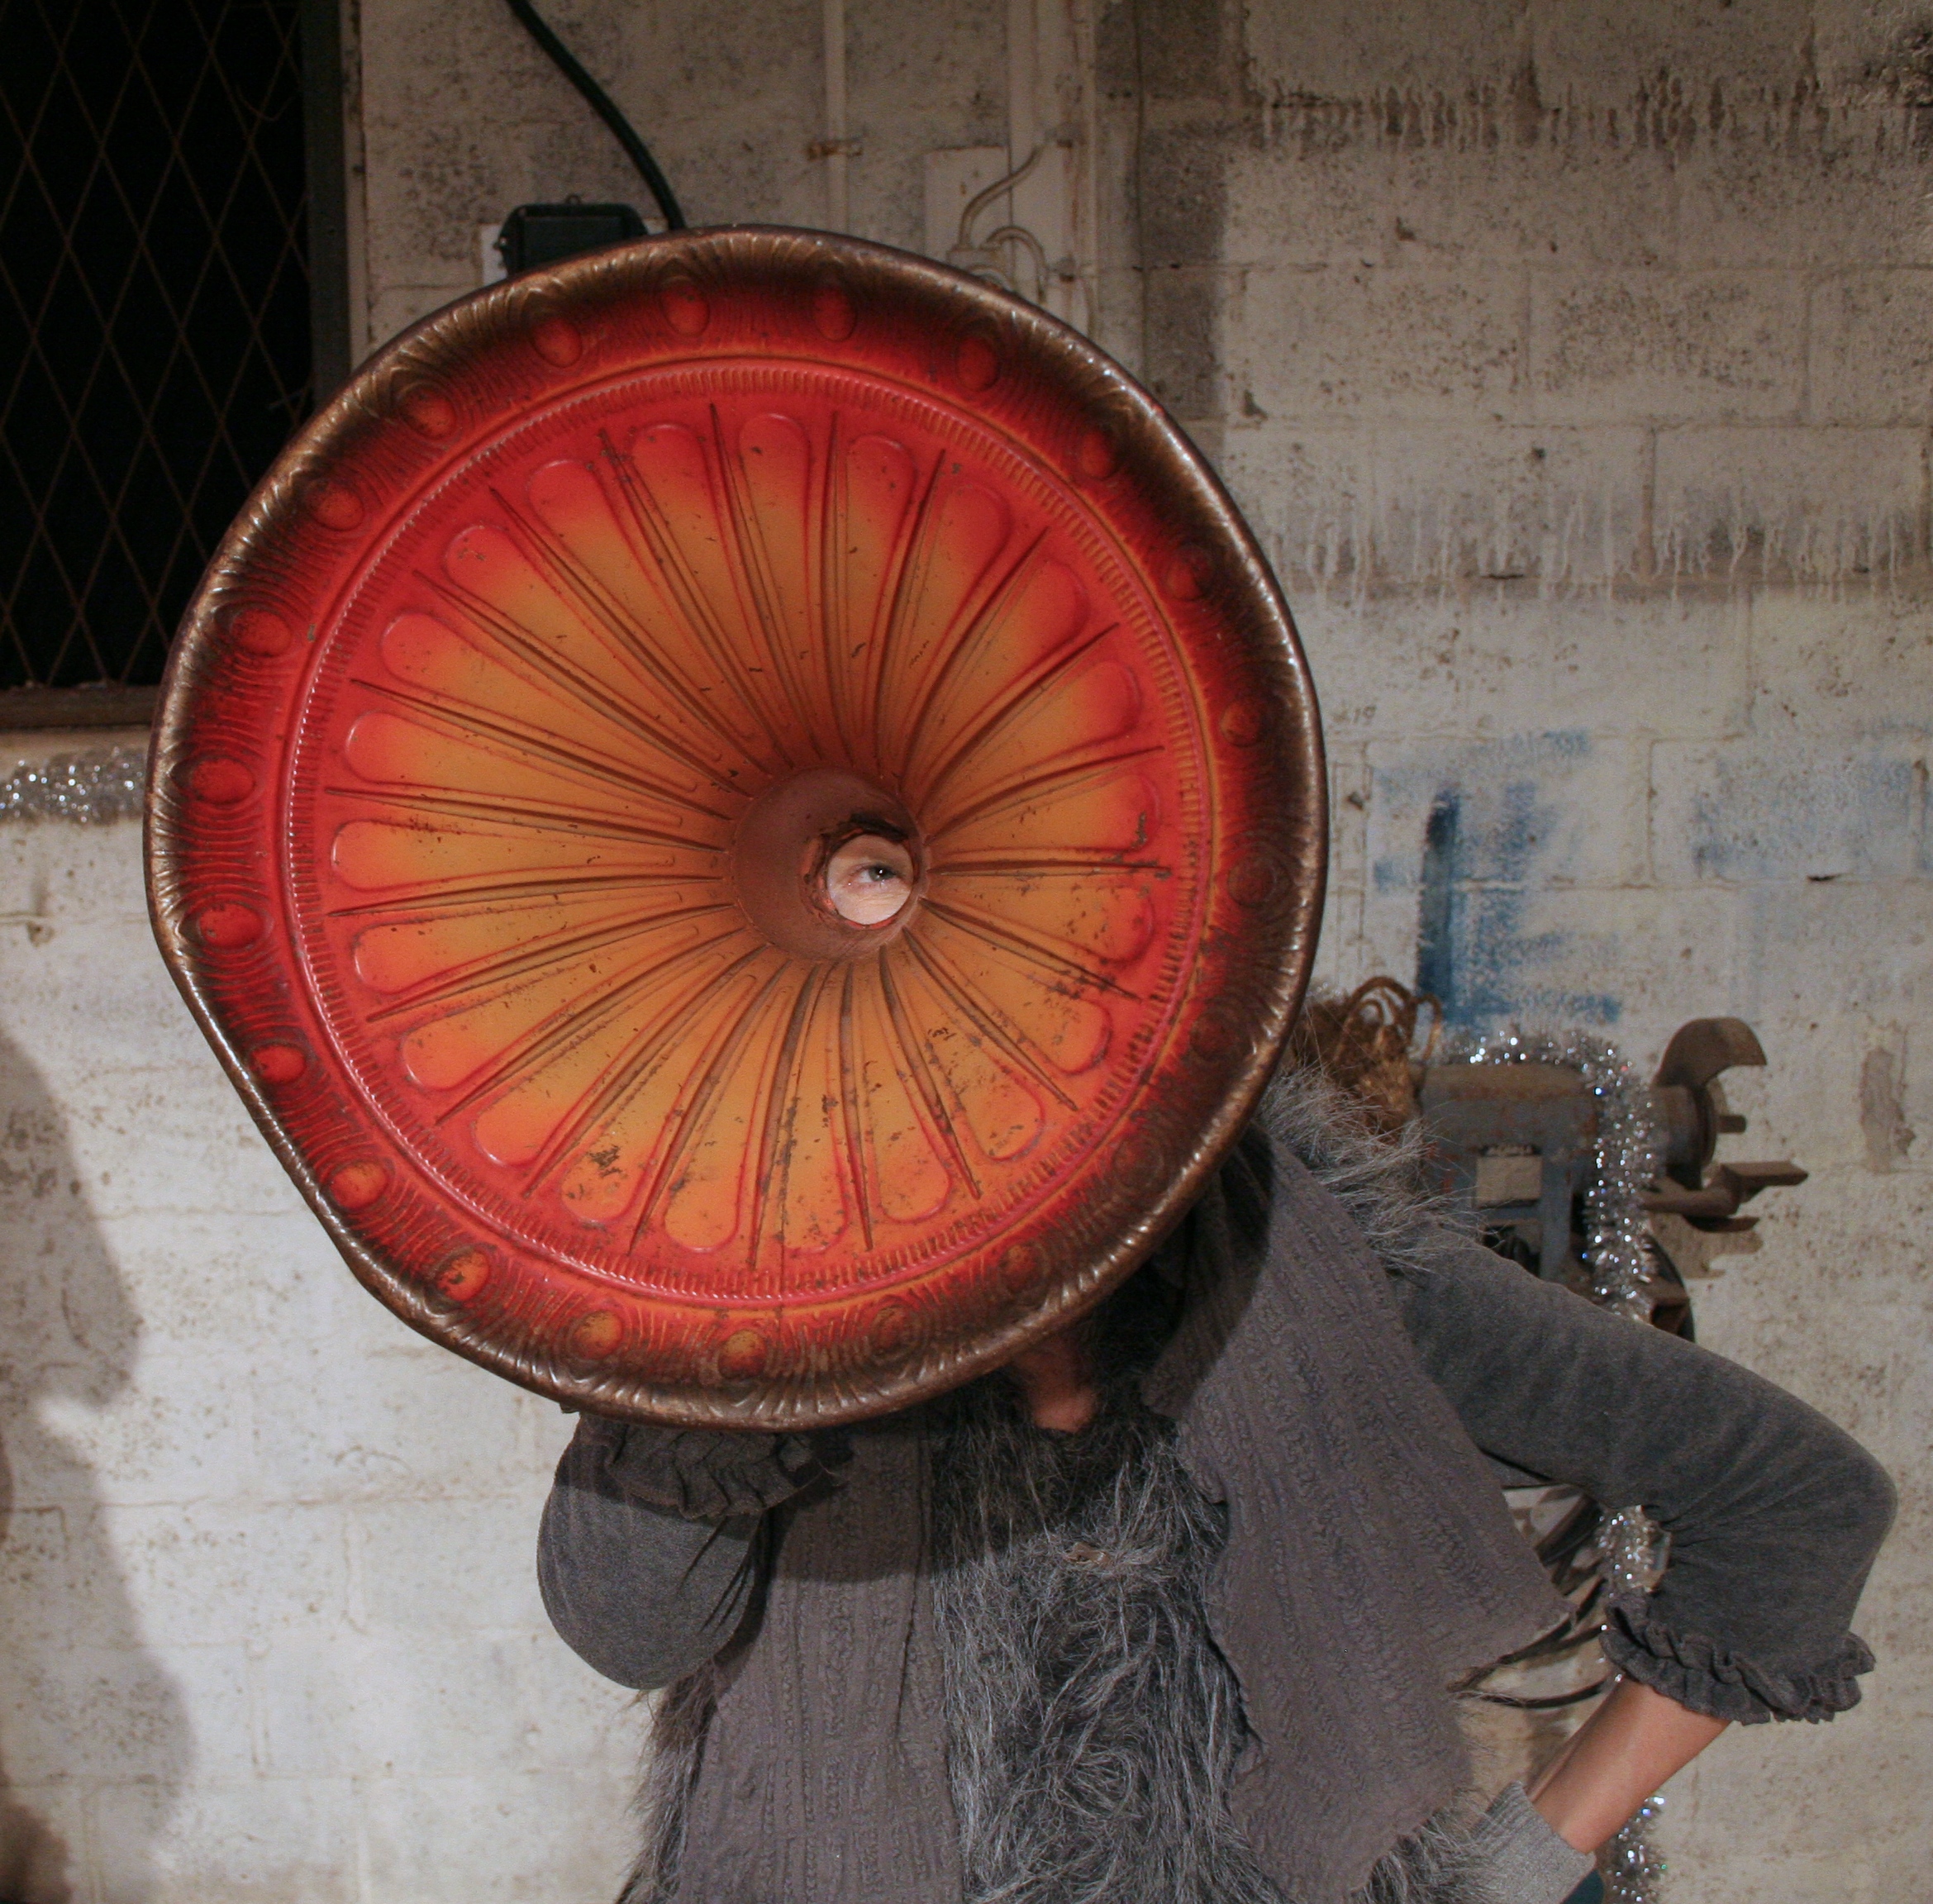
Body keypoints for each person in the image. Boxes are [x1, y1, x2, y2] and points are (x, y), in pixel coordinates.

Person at [537, 1059, 1894, 1904]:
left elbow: (1798, 1501)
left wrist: (1510, 1876)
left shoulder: (1330, 1282)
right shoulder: (751, 1296)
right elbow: (628, 1627)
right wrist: (739, 1331)